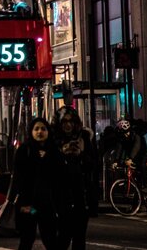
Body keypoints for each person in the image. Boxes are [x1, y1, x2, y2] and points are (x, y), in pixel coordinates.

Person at [10, 117, 64, 250]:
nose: (40, 132)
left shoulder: (54, 151)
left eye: (43, 129)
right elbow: (18, 177)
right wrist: (16, 202)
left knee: (50, 238)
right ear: (31, 131)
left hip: (48, 205)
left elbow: (59, 176)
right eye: (36, 129)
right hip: (29, 205)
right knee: (27, 238)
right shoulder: (24, 150)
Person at [53, 107, 97, 250]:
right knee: (63, 236)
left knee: (79, 237)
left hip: (80, 194)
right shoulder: (54, 139)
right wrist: (62, 153)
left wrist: (80, 154)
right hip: (61, 195)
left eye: (71, 121)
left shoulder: (83, 137)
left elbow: (92, 164)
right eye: (64, 121)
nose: (68, 125)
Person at [113, 119, 147, 191]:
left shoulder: (136, 135)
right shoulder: (122, 137)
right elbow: (119, 148)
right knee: (124, 164)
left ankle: (146, 185)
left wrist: (131, 158)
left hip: (142, 152)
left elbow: (136, 147)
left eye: (125, 133)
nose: (125, 135)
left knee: (142, 165)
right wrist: (116, 161)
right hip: (131, 153)